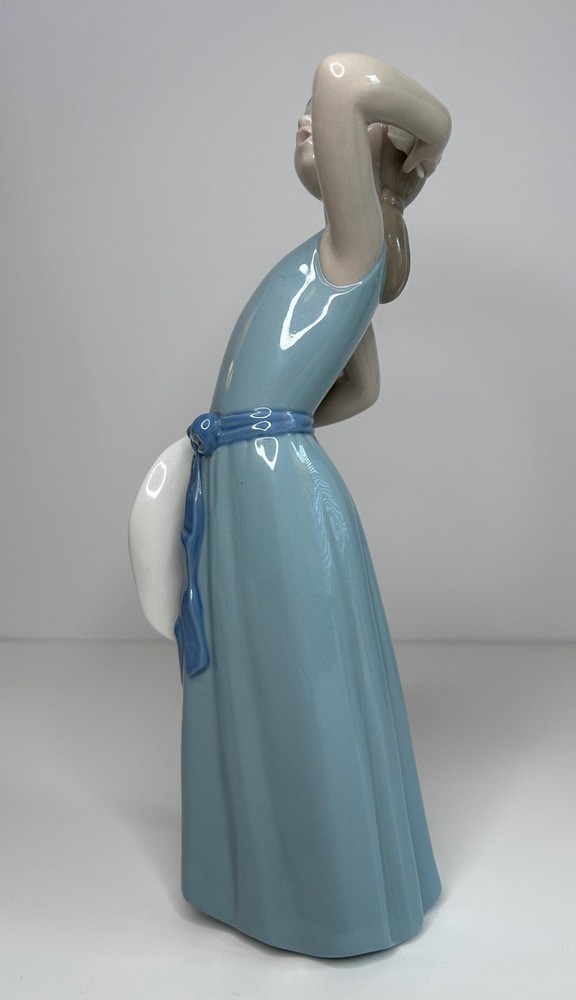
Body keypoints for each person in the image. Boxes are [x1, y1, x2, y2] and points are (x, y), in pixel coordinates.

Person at [130, 53, 451, 958]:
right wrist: (264, 421)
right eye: (302, 116)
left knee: (293, 681)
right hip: (258, 474)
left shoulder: (356, 242)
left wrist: (433, 138)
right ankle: (276, 886)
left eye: (328, 124)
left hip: (272, 490)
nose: (308, 119)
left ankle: (321, 899)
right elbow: (362, 388)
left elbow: (342, 76)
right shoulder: (337, 259)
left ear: (375, 162)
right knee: (269, 679)